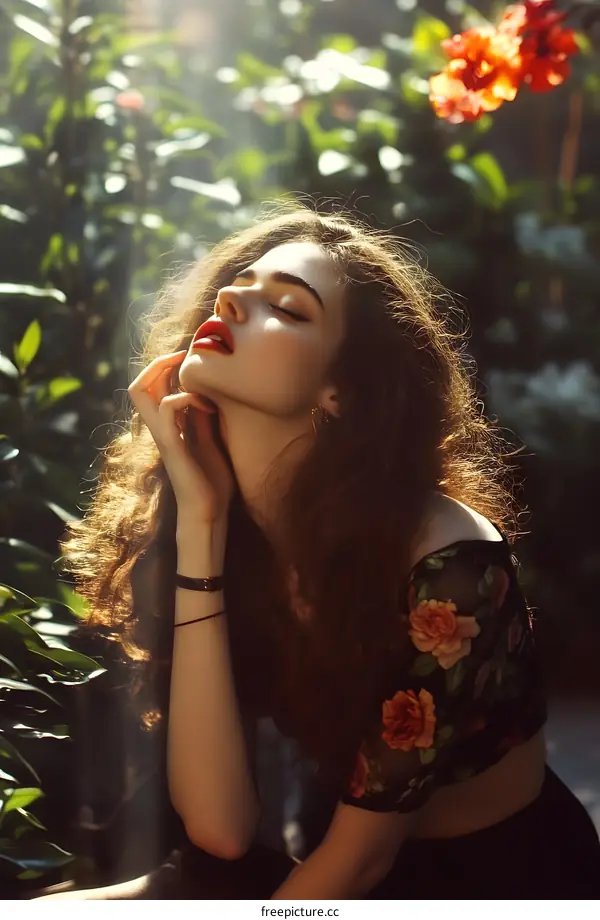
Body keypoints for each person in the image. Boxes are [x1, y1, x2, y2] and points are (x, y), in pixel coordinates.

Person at [36, 201, 600, 899]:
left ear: (343, 391)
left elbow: (360, 866)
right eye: (240, 280)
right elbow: (220, 830)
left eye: (290, 307)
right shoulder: (225, 527)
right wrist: (201, 526)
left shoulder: (451, 569)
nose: (235, 297)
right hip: (328, 862)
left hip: (485, 886)